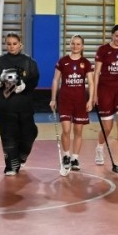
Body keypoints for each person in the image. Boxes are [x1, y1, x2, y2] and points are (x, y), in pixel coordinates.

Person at [0, 33, 40, 176]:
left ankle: (22, 156)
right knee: (8, 135)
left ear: (20, 44)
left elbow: (34, 80)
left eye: (14, 43)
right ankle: (11, 165)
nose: (11, 46)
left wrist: (25, 87)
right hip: (5, 107)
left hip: (25, 107)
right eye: (8, 44)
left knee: (30, 133)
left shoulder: (29, 62)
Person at [91, 24, 118, 172]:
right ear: (112, 35)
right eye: (117, 36)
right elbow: (96, 73)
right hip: (105, 90)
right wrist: (94, 94)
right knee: (107, 127)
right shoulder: (103, 50)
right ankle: (100, 147)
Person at [50, 35, 94, 176]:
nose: (75, 46)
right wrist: (53, 99)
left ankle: (75, 158)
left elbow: (91, 83)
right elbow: (56, 80)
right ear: (70, 45)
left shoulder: (86, 63)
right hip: (65, 100)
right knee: (66, 130)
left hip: (80, 101)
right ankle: (66, 156)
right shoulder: (62, 61)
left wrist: (90, 100)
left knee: (78, 131)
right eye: (73, 43)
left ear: (82, 46)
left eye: (78, 44)